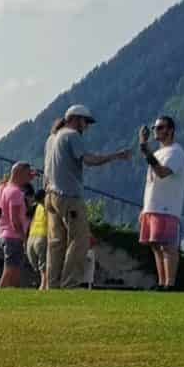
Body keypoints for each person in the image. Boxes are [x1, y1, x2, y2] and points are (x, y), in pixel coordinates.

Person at [41, 104, 133, 290]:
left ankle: (53, 284)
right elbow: (89, 160)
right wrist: (114, 156)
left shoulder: (53, 138)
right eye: (85, 121)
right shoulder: (72, 136)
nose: (87, 126)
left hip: (50, 195)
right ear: (75, 119)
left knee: (56, 243)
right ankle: (69, 283)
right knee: (80, 240)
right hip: (69, 196)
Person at [137, 115, 184, 289]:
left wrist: (145, 150)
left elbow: (162, 172)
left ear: (170, 130)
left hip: (167, 207)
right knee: (155, 246)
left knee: (167, 246)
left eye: (160, 127)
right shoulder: (158, 153)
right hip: (152, 205)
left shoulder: (176, 152)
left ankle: (170, 284)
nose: (156, 131)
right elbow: (151, 183)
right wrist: (145, 208)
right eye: (154, 128)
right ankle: (161, 282)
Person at [0, 161, 35, 288]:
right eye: (27, 174)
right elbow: (15, 220)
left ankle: (13, 297)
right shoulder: (16, 192)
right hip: (13, 237)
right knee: (10, 271)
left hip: (5, 235)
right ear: (19, 173)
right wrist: (23, 237)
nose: (29, 177)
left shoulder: (5, 189)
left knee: (14, 272)